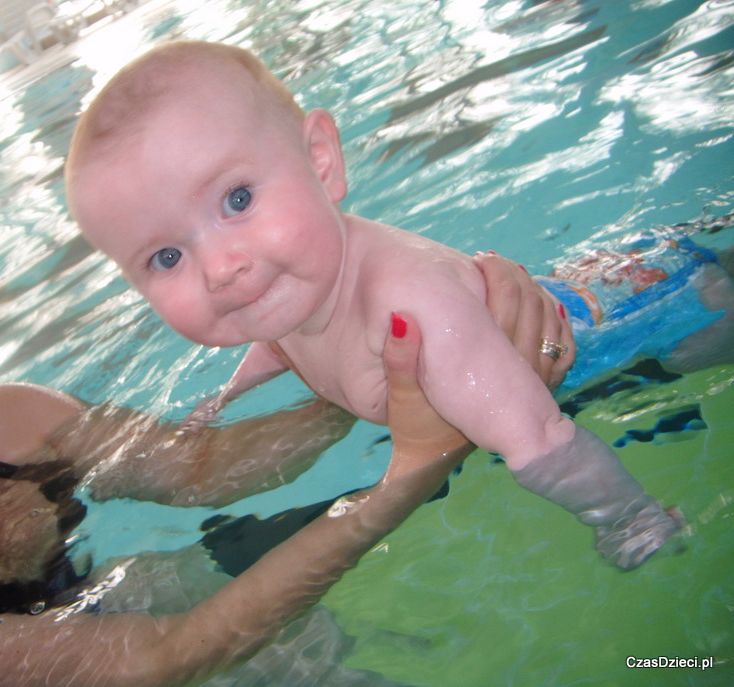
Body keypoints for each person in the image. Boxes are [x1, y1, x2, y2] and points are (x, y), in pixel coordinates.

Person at [65, 41, 731, 570]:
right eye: (166, 257)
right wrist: (225, 399)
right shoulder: (284, 293)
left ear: (321, 160)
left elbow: (540, 439)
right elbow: (276, 344)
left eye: (237, 200)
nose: (221, 269)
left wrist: (628, 519)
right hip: (592, 297)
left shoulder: (411, 307)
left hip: (657, 305)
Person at [0, 257, 567, 686]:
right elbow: (164, 655)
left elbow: (203, 468)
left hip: (90, 601)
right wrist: (418, 465)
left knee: (162, 583)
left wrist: (370, 372)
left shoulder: (5, 423)